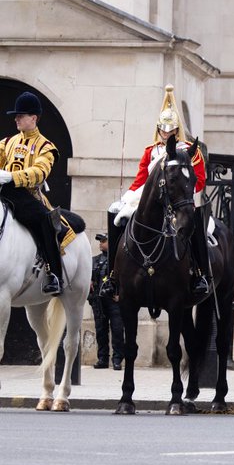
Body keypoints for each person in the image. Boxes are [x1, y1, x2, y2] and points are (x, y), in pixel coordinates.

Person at [103, 85, 209, 299]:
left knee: (194, 223)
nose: (166, 134)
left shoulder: (189, 150)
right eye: (163, 130)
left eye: (170, 130)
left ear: (176, 130)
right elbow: (141, 178)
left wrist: (183, 193)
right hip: (150, 195)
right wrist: (127, 197)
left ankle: (199, 274)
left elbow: (199, 180)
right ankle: (112, 274)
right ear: (159, 129)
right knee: (116, 214)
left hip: (180, 198)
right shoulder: (151, 151)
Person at [0, 91, 64, 295]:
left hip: (27, 196)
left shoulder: (46, 147)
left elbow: (40, 172)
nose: (16, 119)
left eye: (20, 115)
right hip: (3, 191)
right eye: (16, 116)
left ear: (34, 118)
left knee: (45, 220)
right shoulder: (7, 142)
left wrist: (11, 176)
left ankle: (54, 275)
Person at [88, 233, 124, 370]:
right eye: (100, 241)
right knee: (100, 331)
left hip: (114, 301)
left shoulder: (118, 260)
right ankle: (102, 359)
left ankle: (117, 359)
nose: (100, 243)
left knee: (117, 331)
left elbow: (126, 280)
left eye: (103, 241)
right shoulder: (94, 260)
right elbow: (88, 278)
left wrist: (121, 295)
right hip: (98, 301)